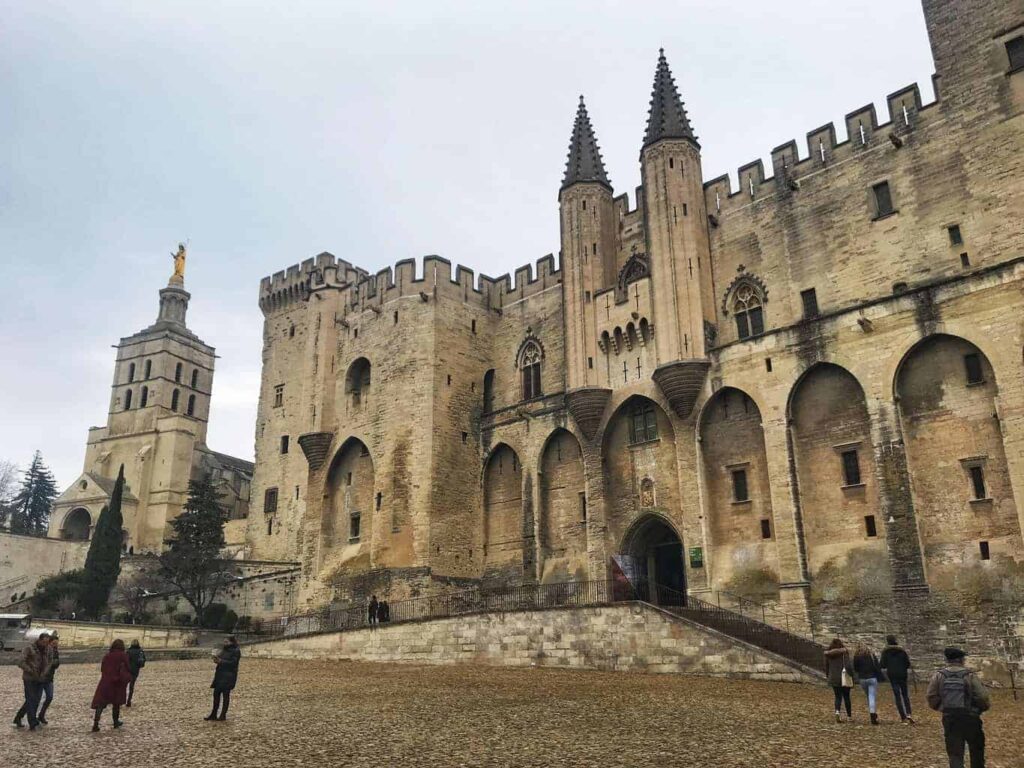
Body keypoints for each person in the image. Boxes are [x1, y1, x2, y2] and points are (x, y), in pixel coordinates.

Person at [927, 647, 990, 768]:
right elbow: (982, 697)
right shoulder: (970, 675)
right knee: (976, 750)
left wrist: (943, 708)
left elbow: (931, 696)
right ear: (961, 660)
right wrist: (980, 709)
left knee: (955, 753)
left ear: (947, 659)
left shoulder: (939, 676)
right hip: (971, 717)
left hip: (950, 719)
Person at [91, 639, 132, 732]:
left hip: (106, 682)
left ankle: (96, 723)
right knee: (116, 704)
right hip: (117, 683)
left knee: (101, 704)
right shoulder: (123, 655)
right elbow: (128, 667)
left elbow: (102, 668)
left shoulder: (107, 656)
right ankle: (115, 722)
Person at [13, 632, 51, 730]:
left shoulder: (47, 649)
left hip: (41, 678)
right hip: (29, 678)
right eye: (44, 642)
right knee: (31, 699)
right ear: (40, 640)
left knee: (35, 700)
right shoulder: (29, 648)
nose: (45, 644)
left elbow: (48, 662)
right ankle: (32, 722)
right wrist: (30, 670)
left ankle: (18, 717)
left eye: (47, 642)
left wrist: (45, 672)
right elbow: (20, 662)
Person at [880, 634, 914, 724]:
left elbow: (882, 664)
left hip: (892, 675)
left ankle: (903, 716)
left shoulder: (885, 652)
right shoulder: (902, 651)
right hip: (902, 674)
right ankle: (909, 713)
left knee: (897, 695)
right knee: (905, 694)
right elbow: (907, 663)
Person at [206, 636, 241, 722]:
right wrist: (216, 659)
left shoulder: (236, 651)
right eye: (224, 642)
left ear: (231, 642)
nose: (225, 643)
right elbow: (221, 658)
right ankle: (213, 713)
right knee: (216, 694)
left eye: (226, 642)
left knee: (225, 695)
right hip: (220, 674)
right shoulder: (224, 649)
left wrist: (221, 661)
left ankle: (223, 715)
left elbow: (233, 663)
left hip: (229, 675)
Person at [824, 638, 854, 723]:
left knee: (837, 697)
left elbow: (826, 666)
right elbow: (848, 665)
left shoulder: (828, 654)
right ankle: (849, 716)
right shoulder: (844, 653)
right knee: (846, 697)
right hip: (844, 677)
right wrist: (852, 675)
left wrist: (828, 676)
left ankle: (837, 711)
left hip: (833, 677)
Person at [853, 643, 884, 725]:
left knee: (869, 696)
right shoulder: (872, 656)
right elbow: (877, 666)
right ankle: (873, 714)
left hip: (862, 679)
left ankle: (873, 712)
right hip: (872, 677)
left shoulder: (856, 657)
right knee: (871, 697)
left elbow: (856, 669)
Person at [126, 639, 146, 707]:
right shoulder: (140, 651)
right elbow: (143, 660)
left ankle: (121, 699)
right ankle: (129, 701)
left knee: (124, 686)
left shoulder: (128, 651)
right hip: (135, 671)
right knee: (131, 687)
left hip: (127, 670)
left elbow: (125, 661)